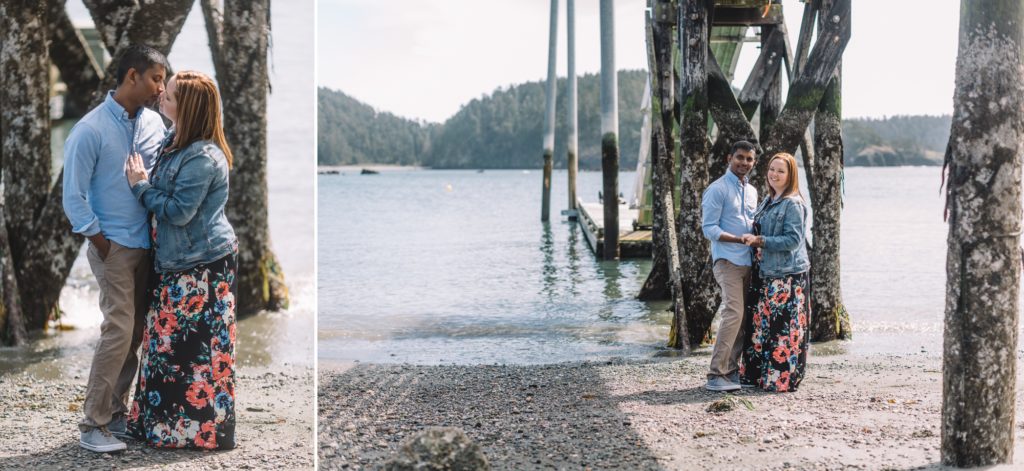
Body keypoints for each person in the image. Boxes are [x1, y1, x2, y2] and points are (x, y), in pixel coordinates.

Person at [124, 70, 239, 449]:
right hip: (175, 262)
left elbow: (177, 212)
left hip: (203, 266)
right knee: (164, 345)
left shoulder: (204, 157)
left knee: (198, 352)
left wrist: (140, 186)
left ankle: (198, 434)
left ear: (187, 107)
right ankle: (158, 427)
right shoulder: (175, 141)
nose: (161, 96)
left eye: (169, 95)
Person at [62, 44, 168, 453]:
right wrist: (102, 242)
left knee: (136, 333)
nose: (161, 87)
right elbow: (73, 198)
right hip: (114, 248)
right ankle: (92, 423)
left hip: (149, 246)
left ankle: (117, 414)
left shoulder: (155, 125)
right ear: (132, 76)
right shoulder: (89, 130)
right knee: (118, 331)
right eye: (156, 78)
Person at [739, 152, 811, 392]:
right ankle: (757, 376)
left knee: (783, 329)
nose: (774, 174)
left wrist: (760, 240)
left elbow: (793, 240)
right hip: (764, 272)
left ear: (790, 176)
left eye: (781, 171)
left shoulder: (793, 203)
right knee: (761, 326)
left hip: (786, 275)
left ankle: (780, 380)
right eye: (772, 169)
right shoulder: (769, 200)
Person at [701, 141, 758, 392]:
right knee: (733, 313)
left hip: (749, 262)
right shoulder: (718, 189)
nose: (744, 163)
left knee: (743, 318)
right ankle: (715, 374)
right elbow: (709, 228)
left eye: (749, 159)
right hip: (727, 261)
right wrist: (737, 239)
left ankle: (732, 372)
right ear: (729, 158)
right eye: (739, 157)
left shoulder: (754, 191)